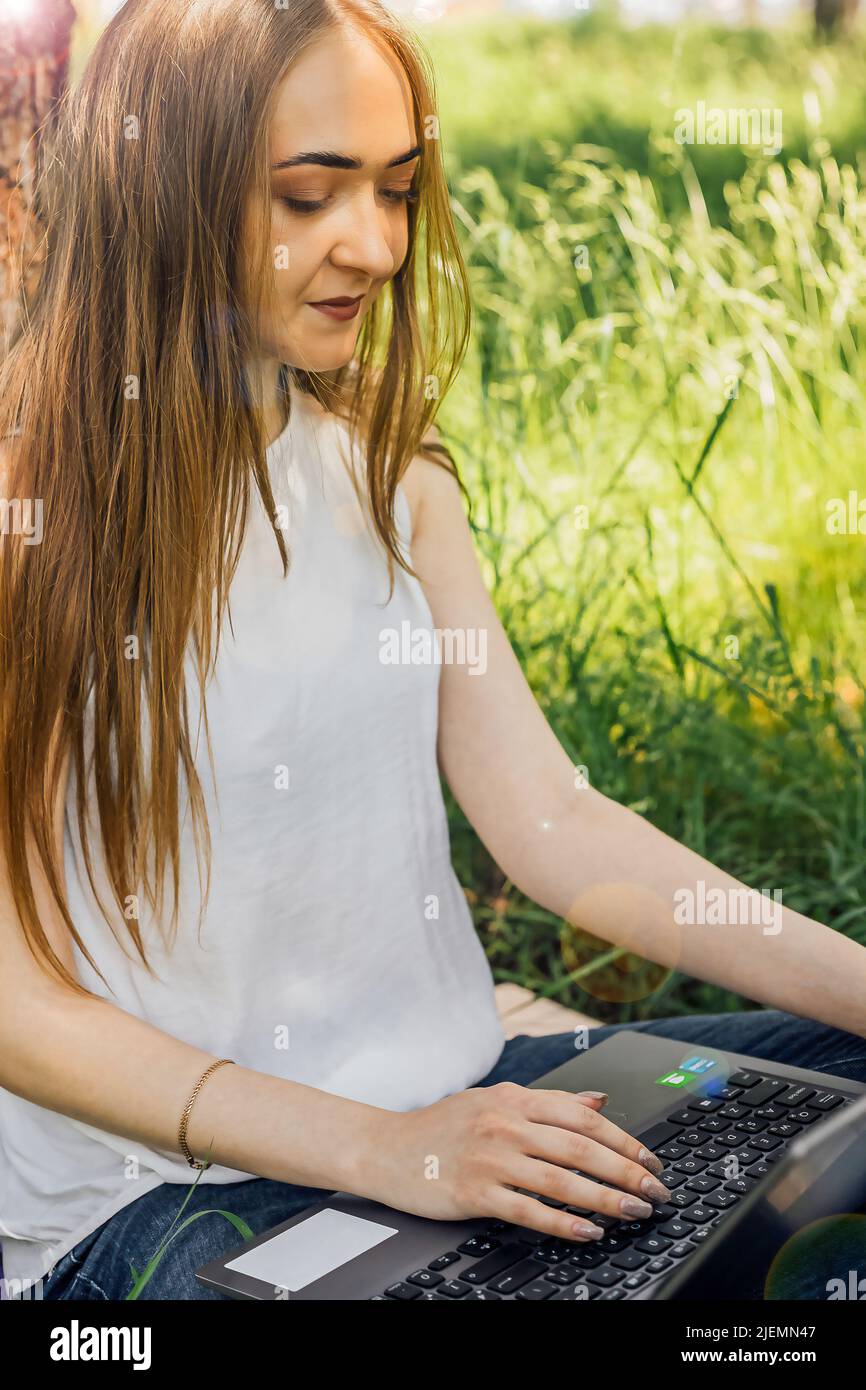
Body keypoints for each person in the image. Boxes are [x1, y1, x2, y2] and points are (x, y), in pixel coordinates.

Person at [0, 0, 863, 1303]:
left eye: (397, 189)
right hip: (157, 1195)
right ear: (166, 193)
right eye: (310, 194)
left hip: (457, 1108)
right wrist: (382, 1150)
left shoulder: (391, 474)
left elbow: (554, 821)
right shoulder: (34, 514)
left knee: (835, 1079)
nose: (377, 242)